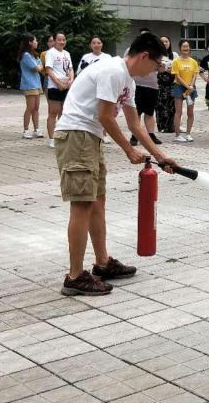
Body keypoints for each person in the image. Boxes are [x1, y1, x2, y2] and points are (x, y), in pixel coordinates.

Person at [54, 32, 179, 296]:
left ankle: (103, 263)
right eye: (156, 64)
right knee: (82, 204)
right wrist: (128, 150)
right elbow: (106, 116)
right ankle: (74, 276)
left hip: (91, 138)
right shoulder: (112, 71)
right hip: (76, 135)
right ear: (144, 56)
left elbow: (135, 125)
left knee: (97, 201)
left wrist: (160, 156)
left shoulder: (128, 80)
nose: (155, 71)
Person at [131, 30, 166, 144]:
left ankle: (151, 134)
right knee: (137, 111)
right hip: (136, 85)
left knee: (150, 112)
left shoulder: (155, 53)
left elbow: (160, 70)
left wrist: (161, 67)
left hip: (152, 86)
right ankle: (135, 135)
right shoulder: (132, 51)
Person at [45, 33, 74, 148]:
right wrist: (58, 83)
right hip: (54, 86)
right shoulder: (51, 53)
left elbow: (70, 69)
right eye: (59, 40)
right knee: (53, 112)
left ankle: (61, 136)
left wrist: (71, 80)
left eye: (64, 40)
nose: (62, 42)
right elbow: (49, 70)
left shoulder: (67, 53)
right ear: (55, 41)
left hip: (66, 86)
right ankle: (52, 138)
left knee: (64, 112)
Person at [18, 33, 45, 139]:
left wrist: (40, 65)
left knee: (36, 108)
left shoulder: (34, 55)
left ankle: (36, 129)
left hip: (36, 83)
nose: (36, 42)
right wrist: (40, 65)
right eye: (35, 40)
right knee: (30, 107)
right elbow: (38, 68)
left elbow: (40, 66)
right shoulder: (26, 55)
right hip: (29, 84)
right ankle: (25, 130)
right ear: (29, 42)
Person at [171, 39, 198, 142]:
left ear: (189, 48)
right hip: (179, 87)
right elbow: (177, 77)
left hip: (191, 88)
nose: (185, 48)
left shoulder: (194, 62)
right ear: (180, 48)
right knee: (178, 112)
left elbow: (195, 74)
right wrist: (187, 86)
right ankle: (177, 135)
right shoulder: (176, 61)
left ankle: (188, 134)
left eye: (187, 46)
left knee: (190, 112)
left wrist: (191, 86)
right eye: (183, 46)